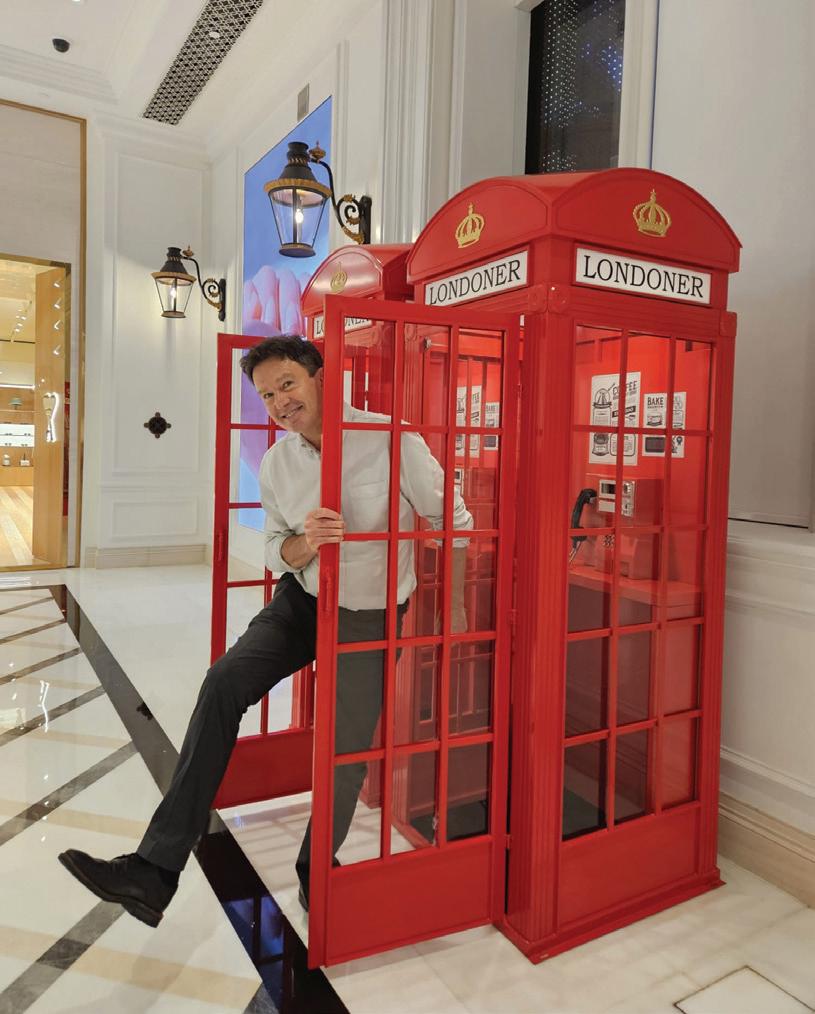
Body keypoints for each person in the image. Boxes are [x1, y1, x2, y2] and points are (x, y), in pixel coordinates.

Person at [58, 335, 472, 927]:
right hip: (303, 600)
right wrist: (308, 541)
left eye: (287, 385)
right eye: (266, 395)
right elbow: (278, 547)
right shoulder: (278, 463)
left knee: (345, 747)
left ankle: (315, 871)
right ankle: (154, 870)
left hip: (370, 612)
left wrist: (453, 607)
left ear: (321, 377)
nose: (279, 403)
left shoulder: (391, 440)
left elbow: (454, 517)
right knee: (224, 682)